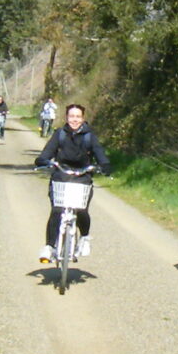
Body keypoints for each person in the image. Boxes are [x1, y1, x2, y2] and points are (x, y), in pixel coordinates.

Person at [34, 104, 111, 263]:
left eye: (78, 116)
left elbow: (99, 153)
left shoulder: (89, 136)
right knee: (57, 210)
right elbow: (47, 152)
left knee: (81, 210)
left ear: (83, 118)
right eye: (71, 116)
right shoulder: (60, 134)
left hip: (82, 178)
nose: (74, 120)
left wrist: (104, 165)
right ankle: (49, 247)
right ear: (66, 117)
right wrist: (43, 160)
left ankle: (84, 237)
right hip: (61, 177)